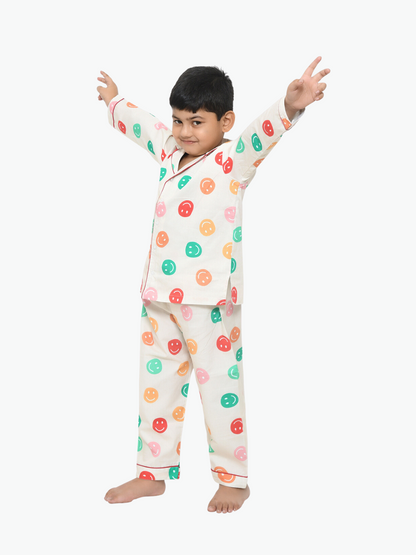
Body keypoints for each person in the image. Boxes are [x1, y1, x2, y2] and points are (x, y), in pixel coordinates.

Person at [96, 57, 330, 514]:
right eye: (179, 120)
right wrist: (114, 101)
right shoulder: (169, 151)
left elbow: (261, 134)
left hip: (210, 299)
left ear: (224, 121)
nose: (184, 131)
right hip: (159, 293)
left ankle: (232, 479)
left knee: (219, 386)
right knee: (155, 386)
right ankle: (152, 472)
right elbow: (144, 126)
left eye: (197, 122)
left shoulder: (232, 160)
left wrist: (289, 106)